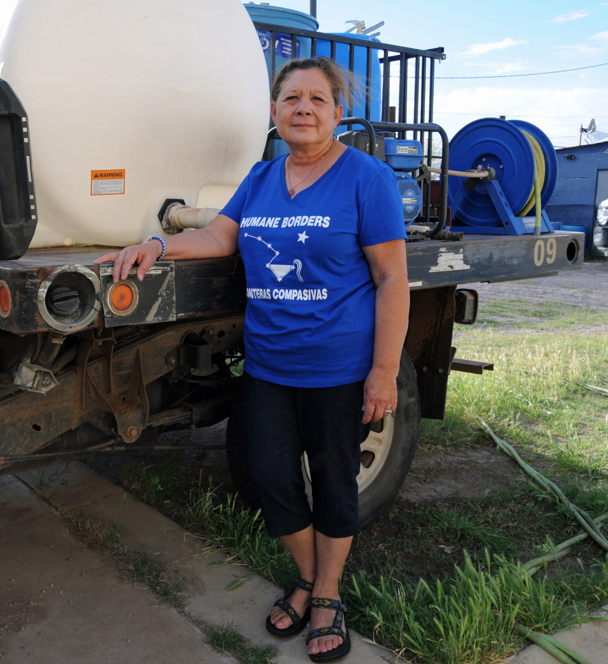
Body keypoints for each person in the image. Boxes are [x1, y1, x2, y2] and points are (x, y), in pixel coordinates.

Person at [95, 56, 409, 663]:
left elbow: (391, 277)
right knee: (268, 476)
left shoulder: (366, 179)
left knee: (335, 481)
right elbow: (218, 237)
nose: (304, 109)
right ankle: (309, 574)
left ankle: (326, 593)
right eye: (291, 98)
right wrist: (156, 244)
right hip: (268, 365)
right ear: (273, 111)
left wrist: (384, 371)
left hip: (339, 367)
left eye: (318, 100)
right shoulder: (262, 178)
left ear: (339, 114)